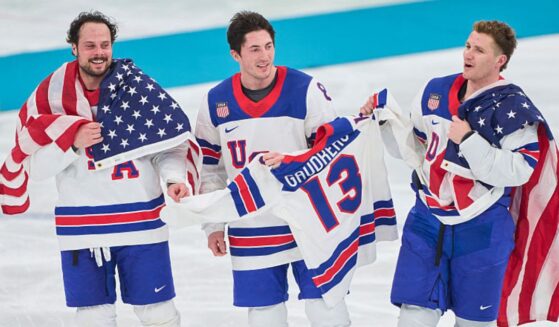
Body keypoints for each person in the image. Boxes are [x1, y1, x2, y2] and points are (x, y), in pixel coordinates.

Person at [0, 11, 196, 326]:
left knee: (158, 312)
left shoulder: (139, 90)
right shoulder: (51, 97)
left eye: (104, 44)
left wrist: (173, 178)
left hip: (142, 224)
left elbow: (169, 146)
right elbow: (35, 169)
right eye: (90, 45)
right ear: (74, 48)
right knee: (93, 317)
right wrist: (72, 141)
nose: (99, 52)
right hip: (82, 228)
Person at [361, 21, 552, 326]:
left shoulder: (513, 107)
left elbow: (521, 170)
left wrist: (468, 140)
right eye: (467, 46)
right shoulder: (433, 90)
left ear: (499, 60)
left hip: (482, 229)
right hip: (427, 222)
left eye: (479, 50)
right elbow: (415, 152)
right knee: (412, 317)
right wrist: (386, 122)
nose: (468, 54)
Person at [195, 11, 351, 327]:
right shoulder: (215, 102)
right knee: (265, 317)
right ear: (235, 54)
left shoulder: (305, 89)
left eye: (268, 46)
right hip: (251, 226)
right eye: (254, 49)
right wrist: (213, 225)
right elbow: (210, 168)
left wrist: (295, 163)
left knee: (327, 310)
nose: (264, 56)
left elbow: (335, 151)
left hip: (308, 221)